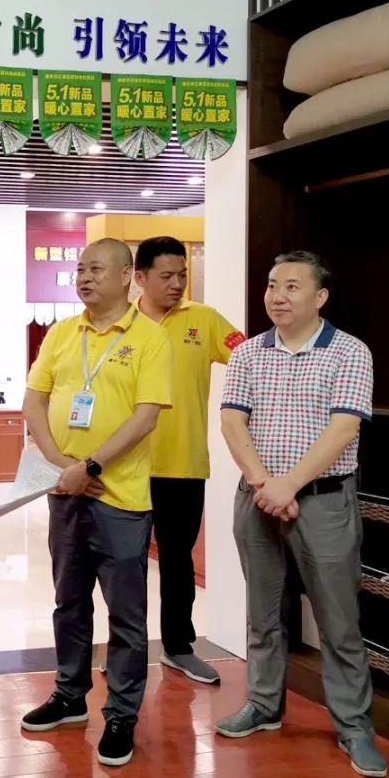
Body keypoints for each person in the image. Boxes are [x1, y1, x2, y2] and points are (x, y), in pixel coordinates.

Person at [217, 251, 386, 778]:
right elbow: (232, 422)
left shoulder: (350, 352)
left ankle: (354, 726)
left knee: (339, 621)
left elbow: (343, 429)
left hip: (324, 502)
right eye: (272, 285)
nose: (277, 296)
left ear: (320, 296)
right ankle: (263, 704)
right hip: (258, 498)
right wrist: (264, 483)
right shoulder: (249, 353)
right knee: (263, 614)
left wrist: (289, 483)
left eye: (292, 286)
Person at [21, 239, 172, 768]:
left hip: (119, 497)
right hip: (66, 491)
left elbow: (146, 416)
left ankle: (122, 715)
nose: (83, 278)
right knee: (69, 602)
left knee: (126, 615)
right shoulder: (62, 333)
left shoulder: (149, 338)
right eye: (80, 269)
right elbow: (34, 401)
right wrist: (61, 463)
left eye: (96, 269)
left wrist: (89, 466)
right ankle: (69, 695)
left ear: (127, 276)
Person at [133, 236, 244, 685]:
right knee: (124, 564)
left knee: (177, 562)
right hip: (124, 468)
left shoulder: (204, 318)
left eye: (182, 274)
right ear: (139, 278)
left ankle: (178, 647)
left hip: (184, 464)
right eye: (166, 276)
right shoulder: (120, 324)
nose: (178, 283)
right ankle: (126, 650)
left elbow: (250, 358)